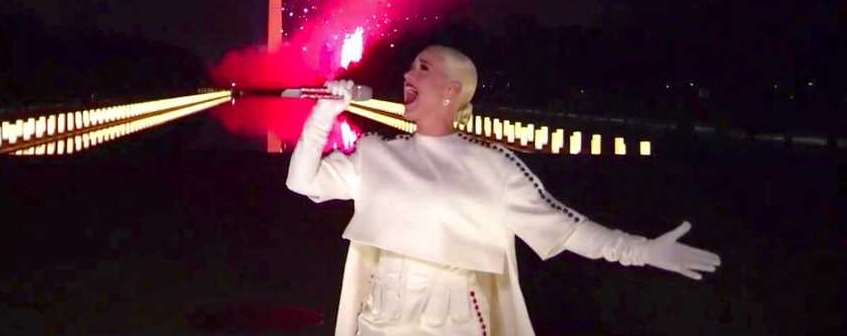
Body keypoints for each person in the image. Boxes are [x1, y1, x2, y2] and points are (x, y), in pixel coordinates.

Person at [286, 45, 721, 336]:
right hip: (380, 322)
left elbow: (567, 230)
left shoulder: (494, 167)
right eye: (411, 66)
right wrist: (324, 112)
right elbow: (301, 181)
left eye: (424, 67)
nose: (407, 73)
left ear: (451, 91)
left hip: (451, 324)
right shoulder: (375, 154)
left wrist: (642, 250)